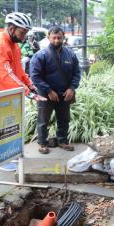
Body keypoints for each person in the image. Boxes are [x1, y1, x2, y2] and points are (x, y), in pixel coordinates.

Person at [30, 26, 81, 154]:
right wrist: (48, 91)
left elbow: (77, 73)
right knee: (43, 119)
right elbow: (35, 76)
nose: (57, 40)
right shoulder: (40, 55)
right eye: (54, 38)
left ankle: (62, 141)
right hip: (45, 93)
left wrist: (72, 88)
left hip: (65, 93)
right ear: (48, 38)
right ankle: (42, 143)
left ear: (64, 38)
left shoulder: (71, 55)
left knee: (64, 118)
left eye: (59, 38)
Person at [0, 12, 44, 100]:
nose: (24, 36)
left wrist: (29, 85)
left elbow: (19, 70)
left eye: (26, 32)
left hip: (11, 90)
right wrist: (27, 91)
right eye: (22, 32)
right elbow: (6, 74)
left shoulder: (14, 44)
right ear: (12, 29)